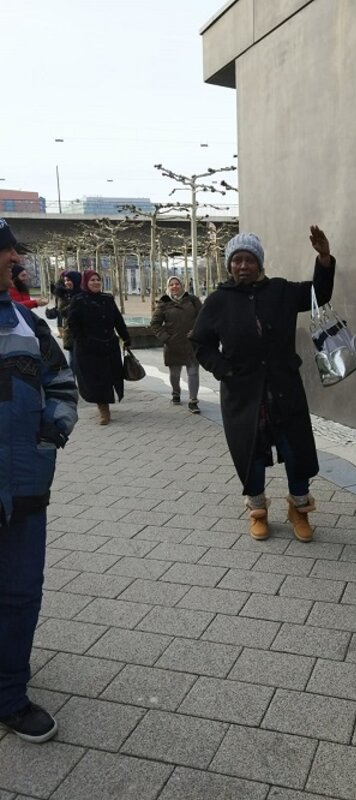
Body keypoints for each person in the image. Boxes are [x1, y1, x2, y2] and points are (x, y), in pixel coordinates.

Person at [191, 227, 335, 542]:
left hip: (284, 389)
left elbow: (318, 295)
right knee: (251, 456)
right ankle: (258, 512)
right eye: (237, 261)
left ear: (260, 263)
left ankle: (299, 510)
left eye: (250, 260)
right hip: (242, 396)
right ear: (229, 265)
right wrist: (224, 371)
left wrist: (323, 258)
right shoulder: (218, 301)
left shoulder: (281, 290)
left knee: (295, 452)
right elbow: (200, 343)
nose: (244, 266)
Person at [0, 219, 78, 742]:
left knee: (22, 592)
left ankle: (10, 694)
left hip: (26, 481)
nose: (16, 260)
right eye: (7, 252)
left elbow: (62, 383)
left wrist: (51, 430)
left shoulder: (29, 325)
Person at [67, 269, 130, 425]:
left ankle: (106, 403)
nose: (96, 282)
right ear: (85, 283)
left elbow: (118, 320)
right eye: (92, 280)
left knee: (110, 377)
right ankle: (104, 410)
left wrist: (126, 337)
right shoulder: (79, 300)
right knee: (97, 380)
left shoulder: (107, 299)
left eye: (98, 279)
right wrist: (83, 342)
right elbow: (73, 325)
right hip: (90, 348)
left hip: (109, 345)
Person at [150, 275, 203, 413]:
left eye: (177, 284)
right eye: (171, 284)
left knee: (193, 372)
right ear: (168, 287)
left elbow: (203, 317)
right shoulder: (163, 303)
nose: (174, 286)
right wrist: (166, 338)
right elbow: (155, 324)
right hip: (173, 344)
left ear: (182, 285)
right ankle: (176, 393)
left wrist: (197, 331)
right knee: (175, 373)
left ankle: (193, 401)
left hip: (191, 343)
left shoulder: (192, 300)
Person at [56, 271, 82, 363]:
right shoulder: (64, 294)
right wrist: (75, 303)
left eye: (69, 280)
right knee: (74, 360)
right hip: (71, 332)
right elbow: (62, 311)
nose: (67, 283)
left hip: (87, 333)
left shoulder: (85, 293)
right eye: (65, 280)